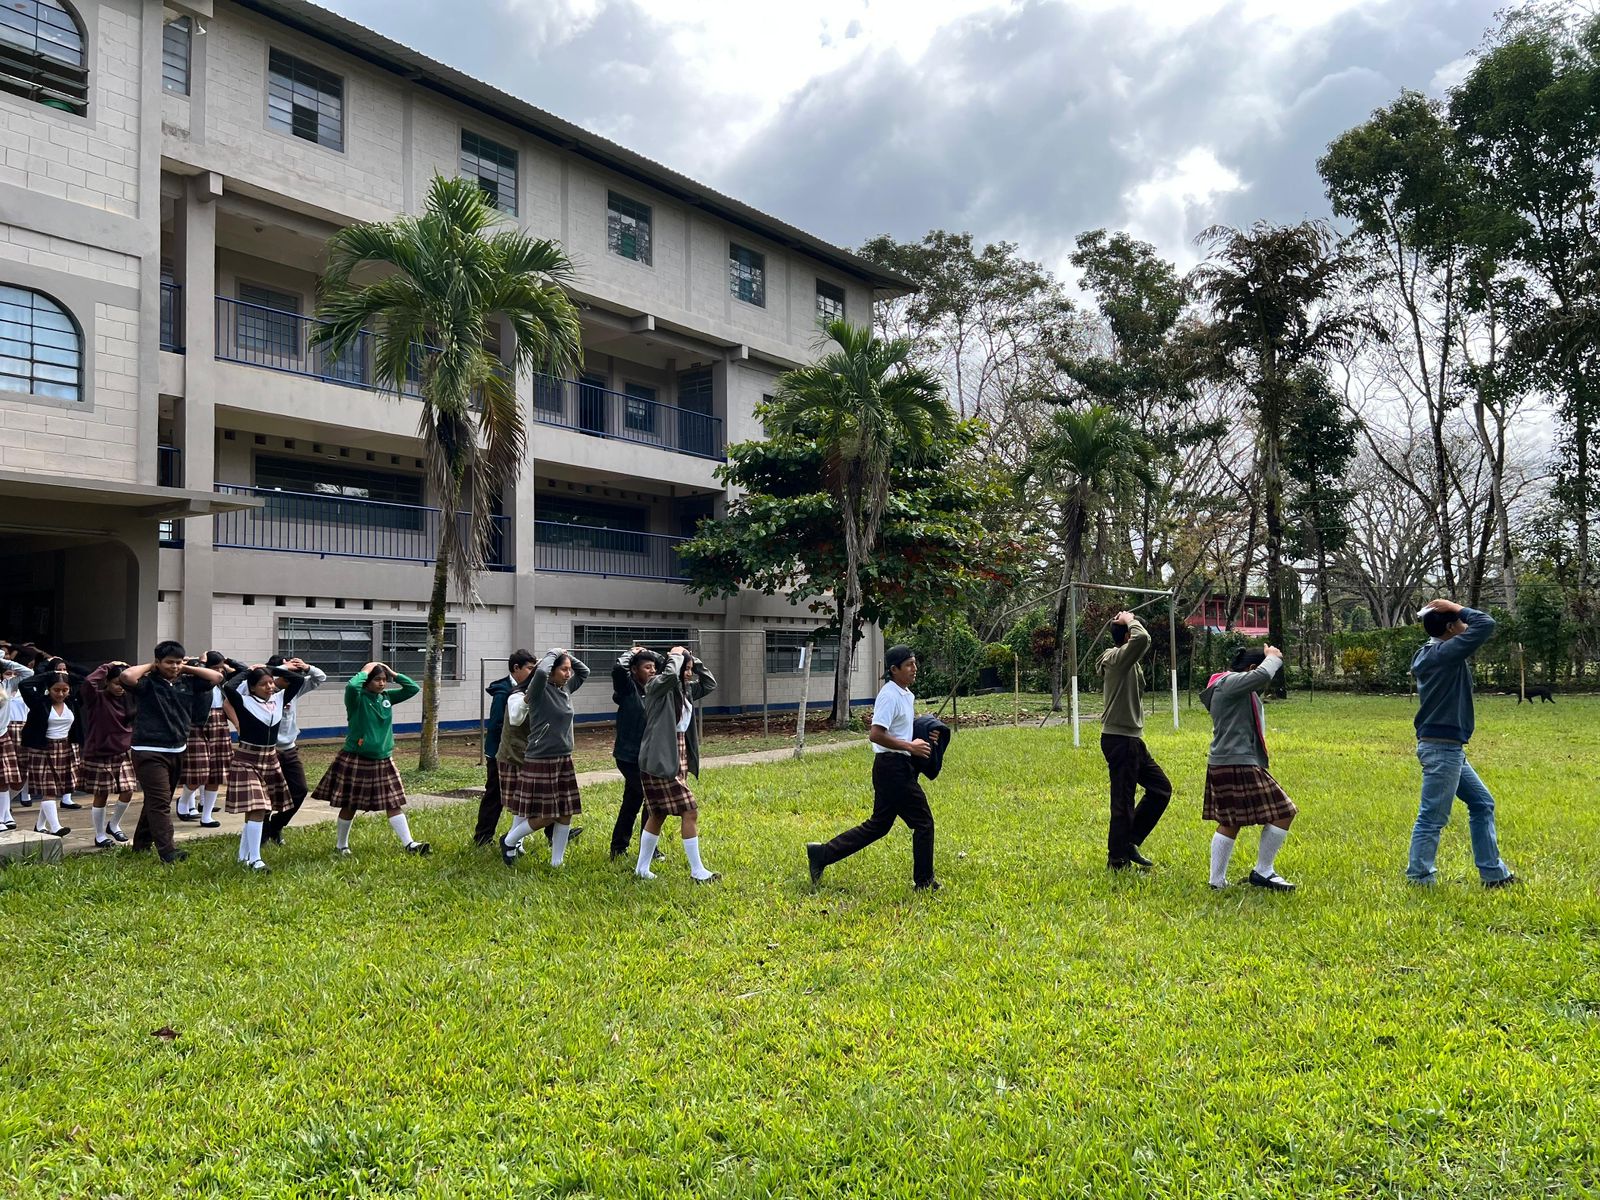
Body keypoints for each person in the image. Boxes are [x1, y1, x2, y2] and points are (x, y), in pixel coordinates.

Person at [805, 645, 940, 891]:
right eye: (909, 664)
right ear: (894, 669)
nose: (914, 668)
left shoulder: (905, 694)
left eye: (914, 663)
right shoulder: (889, 695)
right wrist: (910, 747)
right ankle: (924, 881)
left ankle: (821, 854)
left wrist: (925, 733)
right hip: (892, 768)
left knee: (878, 825)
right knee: (923, 823)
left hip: (898, 766)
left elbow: (901, 729)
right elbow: (876, 734)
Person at [1407, 600, 1517, 888]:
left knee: (1482, 803)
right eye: (1459, 622)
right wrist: (1454, 606)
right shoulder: (1445, 653)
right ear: (1450, 628)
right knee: (1432, 817)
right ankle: (1419, 878)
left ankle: (1494, 874)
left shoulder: (1431, 652)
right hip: (1442, 749)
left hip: (1447, 747)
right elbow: (1486, 623)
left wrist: (1451, 611)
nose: (1465, 625)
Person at [1200, 645, 1296, 891]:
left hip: (1229, 760)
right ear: (1251, 668)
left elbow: (1259, 679)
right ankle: (1263, 871)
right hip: (1237, 761)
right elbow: (1262, 675)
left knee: (1231, 820)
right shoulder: (1230, 683)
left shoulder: (1231, 686)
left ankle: (1216, 882)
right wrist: (1272, 658)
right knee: (1284, 811)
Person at [311, 662, 429, 856]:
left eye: (384, 680)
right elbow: (351, 686)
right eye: (377, 680)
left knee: (393, 802)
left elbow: (413, 688)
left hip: (383, 759)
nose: (382, 683)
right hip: (357, 758)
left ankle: (409, 844)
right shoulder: (357, 699)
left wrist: (393, 673)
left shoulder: (387, 697)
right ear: (367, 681)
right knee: (350, 804)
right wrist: (365, 671)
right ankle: (341, 845)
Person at [122, 643, 224, 864]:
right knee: (160, 802)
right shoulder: (147, 684)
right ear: (158, 662)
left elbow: (216, 677)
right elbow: (127, 676)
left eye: (178, 662)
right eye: (169, 662)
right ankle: (168, 851)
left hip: (177, 749)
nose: (174, 666)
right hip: (148, 751)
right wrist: (152, 666)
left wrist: (186, 668)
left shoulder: (187, 682)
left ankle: (141, 844)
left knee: (158, 799)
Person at [496, 648, 590, 868]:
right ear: (551, 671)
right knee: (547, 815)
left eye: (569, 670)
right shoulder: (539, 689)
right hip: (541, 758)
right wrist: (553, 653)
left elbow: (584, 671)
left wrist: (567, 656)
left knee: (566, 813)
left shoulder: (565, 688)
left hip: (563, 758)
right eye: (564, 669)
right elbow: (539, 673)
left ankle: (557, 862)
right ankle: (509, 840)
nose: (568, 674)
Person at [635, 645, 719, 882]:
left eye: (690, 669)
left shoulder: (685, 690)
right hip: (659, 759)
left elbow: (710, 684)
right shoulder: (656, 686)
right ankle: (697, 871)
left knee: (657, 813)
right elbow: (670, 676)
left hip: (677, 756)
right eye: (686, 669)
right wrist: (675, 656)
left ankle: (641, 868)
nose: (689, 673)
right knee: (690, 811)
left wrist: (693, 661)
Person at [1097, 611, 1172, 870]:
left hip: (1132, 739)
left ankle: (1129, 841)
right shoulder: (1117, 658)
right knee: (1123, 801)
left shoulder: (1128, 661)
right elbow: (1143, 639)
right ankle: (1117, 861)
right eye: (1133, 628)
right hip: (1119, 739)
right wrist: (1129, 619)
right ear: (1128, 636)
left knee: (1161, 789)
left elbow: (1141, 641)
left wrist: (1129, 622)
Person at [223, 665, 305, 872]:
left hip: (269, 758)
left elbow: (297, 680)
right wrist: (247, 671)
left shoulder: (279, 699)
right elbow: (228, 687)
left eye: (271, 682)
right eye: (263, 684)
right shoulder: (244, 702)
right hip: (247, 759)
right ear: (252, 687)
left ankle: (243, 856)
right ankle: (255, 859)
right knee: (258, 807)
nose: (269, 687)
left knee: (260, 809)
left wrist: (273, 668)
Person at [260, 655, 327, 846]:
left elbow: (320, 677)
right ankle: (262, 832)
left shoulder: (294, 688)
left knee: (299, 790)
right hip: (267, 751)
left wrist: (306, 667)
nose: (292, 678)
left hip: (289, 750)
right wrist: (282, 668)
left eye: (295, 674)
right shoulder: (260, 691)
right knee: (266, 794)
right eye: (288, 674)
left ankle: (276, 826)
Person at [474, 649, 536, 848]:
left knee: (532, 792)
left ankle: (554, 833)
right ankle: (483, 837)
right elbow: (497, 725)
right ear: (516, 668)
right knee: (494, 795)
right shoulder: (503, 692)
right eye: (529, 668)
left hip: (521, 751)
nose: (533, 672)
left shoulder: (528, 688)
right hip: (500, 753)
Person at [178, 650, 245, 828]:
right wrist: (200, 662)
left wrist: (228, 661)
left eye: (221, 668)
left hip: (219, 725)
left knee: (216, 772)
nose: (219, 671)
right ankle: (184, 801)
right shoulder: (195, 682)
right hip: (198, 726)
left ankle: (206, 815)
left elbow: (243, 671)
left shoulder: (222, 683)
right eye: (215, 667)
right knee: (198, 771)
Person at [78, 661, 137, 848]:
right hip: (99, 752)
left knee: (128, 790)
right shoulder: (96, 698)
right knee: (101, 794)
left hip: (122, 752)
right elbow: (89, 682)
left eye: (123, 684)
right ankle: (100, 835)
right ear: (107, 682)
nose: (120, 688)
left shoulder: (130, 699)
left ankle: (114, 824)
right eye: (116, 683)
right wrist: (108, 666)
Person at [17, 668, 81, 837]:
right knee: (49, 790)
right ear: (49, 688)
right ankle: (56, 827)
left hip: (65, 748)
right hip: (43, 749)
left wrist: (66, 675)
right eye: (56, 689)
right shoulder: (39, 702)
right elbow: (24, 684)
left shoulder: (72, 702)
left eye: (65, 690)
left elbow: (86, 680)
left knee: (54, 789)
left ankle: (40, 826)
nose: (60, 694)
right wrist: (50, 674)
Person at [608, 645, 657, 861]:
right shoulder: (628, 688)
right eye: (647, 667)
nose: (652, 670)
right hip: (628, 757)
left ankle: (618, 847)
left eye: (653, 667)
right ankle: (649, 849)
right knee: (651, 799)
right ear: (635, 670)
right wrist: (632, 653)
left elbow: (666, 665)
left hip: (647, 756)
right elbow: (619, 669)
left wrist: (650, 654)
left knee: (632, 801)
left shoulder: (654, 689)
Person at [0, 653, 34, 830]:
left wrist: (4, 661)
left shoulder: (6, 684)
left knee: (5, 778)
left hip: (3, 734)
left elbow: (28, 673)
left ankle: (5, 815)